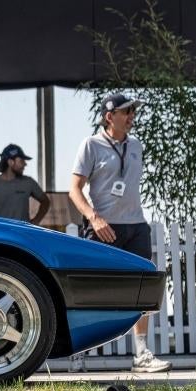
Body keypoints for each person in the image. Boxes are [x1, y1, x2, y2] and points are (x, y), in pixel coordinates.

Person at [68, 92, 170, 373]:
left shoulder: (135, 145)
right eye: (126, 112)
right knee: (90, 290)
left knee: (143, 288)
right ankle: (78, 354)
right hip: (103, 227)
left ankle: (141, 355)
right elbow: (74, 189)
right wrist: (94, 218)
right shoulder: (91, 145)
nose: (131, 117)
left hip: (135, 225)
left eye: (133, 112)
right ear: (109, 116)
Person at [0, 144, 51, 225]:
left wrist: (36, 221)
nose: (25, 164)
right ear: (10, 162)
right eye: (21, 161)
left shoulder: (28, 182)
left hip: (21, 235)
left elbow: (45, 201)